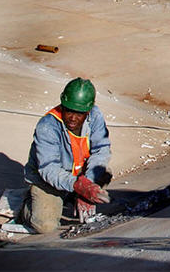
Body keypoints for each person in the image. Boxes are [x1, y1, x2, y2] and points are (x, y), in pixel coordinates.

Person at [21, 77, 112, 233]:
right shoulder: (47, 126)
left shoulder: (95, 116)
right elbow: (49, 169)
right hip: (48, 180)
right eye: (69, 111)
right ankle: (27, 208)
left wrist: (87, 185)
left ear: (88, 111)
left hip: (78, 174)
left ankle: (72, 196)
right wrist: (78, 186)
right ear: (63, 105)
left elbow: (101, 150)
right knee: (45, 226)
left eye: (79, 114)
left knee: (104, 173)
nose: (73, 118)